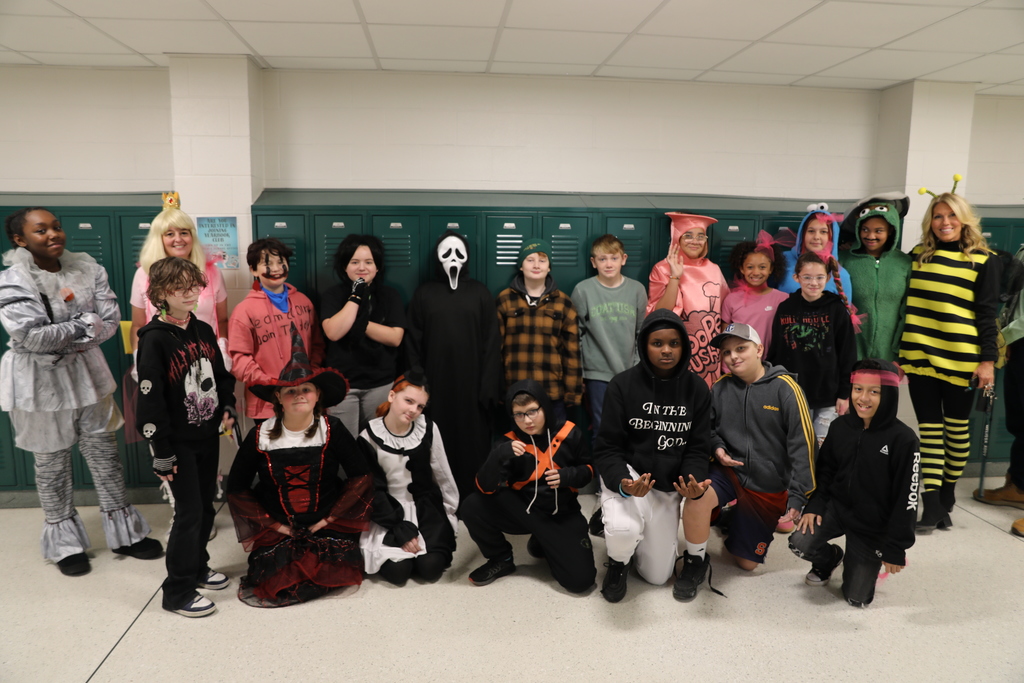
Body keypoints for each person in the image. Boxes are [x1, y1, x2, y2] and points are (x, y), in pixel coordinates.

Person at [0, 207, 162, 577]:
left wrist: (71, 331)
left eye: (56, 227)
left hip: (90, 377)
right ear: (20, 239)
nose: (54, 234)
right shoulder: (13, 280)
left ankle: (126, 534)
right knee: (52, 464)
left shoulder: (89, 270)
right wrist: (83, 325)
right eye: (41, 230)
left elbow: (108, 324)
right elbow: (31, 337)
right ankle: (65, 544)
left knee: (106, 456)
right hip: (40, 386)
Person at [226, 327, 374, 608]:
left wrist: (327, 520)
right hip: (279, 526)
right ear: (278, 399)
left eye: (306, 389)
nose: (299, 395)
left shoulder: (332, 429)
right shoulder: (261, 435)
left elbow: (361, 476)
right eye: (290, 391)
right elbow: (237, 488)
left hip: (326, 523)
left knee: (326, 570)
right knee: (279, 579)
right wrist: (277, 527)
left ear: (317, 395)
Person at [136, 257, 236, 617]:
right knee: (189, 513)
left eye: (196, 285)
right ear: (162, 293)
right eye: (182, 288)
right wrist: (160, 451)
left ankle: (197, 567)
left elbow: (222, 377)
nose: (193, 292)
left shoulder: (203, 329)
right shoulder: (154, 340)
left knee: (206, 505)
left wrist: (227, 406)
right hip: (176, 442)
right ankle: (177, 591)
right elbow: (149, 402)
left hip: (207, 435)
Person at [594, 309, 715, 603]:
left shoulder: (697, 389)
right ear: (643, 346)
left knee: (658, 576)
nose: (666, 351)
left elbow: (698, 447)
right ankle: (619, 559)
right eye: (657, 343)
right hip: (631, 477)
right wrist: (623, 483)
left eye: (674, 344)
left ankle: (630, 535)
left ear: (684, 347)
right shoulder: (622, 385)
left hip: (666, 486)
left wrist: (692, 483)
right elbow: (607, 447)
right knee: (624, 531)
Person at [900, 187, 1000, 529]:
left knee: (956, 430)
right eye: (939, 216)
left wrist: (988, 361)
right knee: (929, 430)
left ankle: (946, 496)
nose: (945, 222)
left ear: (963, 219)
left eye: (952, 215)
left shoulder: (982, 260)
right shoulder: (917, 256)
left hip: (962, 359)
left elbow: (987, 315)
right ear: (931, 221)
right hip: (919, 355)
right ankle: (932, 504)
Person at [684, 322, 816, 573]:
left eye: (741, 348)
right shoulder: (721, 387)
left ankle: (732, 517)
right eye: (726, 352)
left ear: (759, 349)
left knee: (747, 564)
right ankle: (694, 563)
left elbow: (804, 447)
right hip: (727, 471)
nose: (733, 356)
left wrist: (799, 496)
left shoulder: (786, 389)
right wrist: (718, 449)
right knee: (697, 497)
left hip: (766, 483)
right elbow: (706, 430)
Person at [789, 359, 919, 608]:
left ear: (890, 394)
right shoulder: (840, 427)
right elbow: (825, 471)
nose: (863, 398)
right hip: (837, 509)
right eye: (858, 389)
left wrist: (896, 547)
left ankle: (862, 561)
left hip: (872, 525)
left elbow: (908, 497)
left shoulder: (904, 440)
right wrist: (815, 505)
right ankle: (830, 558)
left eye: (874, 391)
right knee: (799, 543)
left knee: (856, 598)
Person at [461, 379, 595, 594]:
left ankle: (543, 543)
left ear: (544, 406)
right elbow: (484, 488)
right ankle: (501, 558)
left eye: (533, 411)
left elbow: (589, 470)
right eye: (519, 414)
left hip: (562, 514)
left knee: (580, 582)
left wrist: (568, 476)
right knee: (471, 505)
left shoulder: (570, 432)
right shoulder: (508, 442)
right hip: (525, 510)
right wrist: (497, 456)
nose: (528, 420)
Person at [405, 230, 501, 498]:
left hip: (473, 388)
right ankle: (439, 497)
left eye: (459, 252)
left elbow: (492, 343)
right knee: (437, 442)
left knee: (474, 443)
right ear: (437, 257)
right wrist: (418, 382)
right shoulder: (424, 294)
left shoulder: (480, 293)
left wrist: (488, 387)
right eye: (446, 252)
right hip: (435, 386)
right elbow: (413, 341)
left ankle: (473, 497)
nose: (453, 258)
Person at [359, 370, 459, 585]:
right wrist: (397, 528)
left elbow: (443, 474)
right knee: (399, 572)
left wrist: (449, 514)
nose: (414, 410)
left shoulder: (428, 428)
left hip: (426, 510)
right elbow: (371, 490)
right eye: (409, 401)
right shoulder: (368, 436)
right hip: (387, 512)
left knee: (430, 569)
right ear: (392, 396)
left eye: (420, 406)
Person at [228, 237, 324, 424]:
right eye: (268, 264)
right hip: (267, 404)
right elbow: (239, 359)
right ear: (253, 270)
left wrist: (311, 373)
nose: (277, 268)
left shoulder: (304, 302)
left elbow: (317, 344)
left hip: (304, 400)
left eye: (281, 262)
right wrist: (268, 383)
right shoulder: (244, 310)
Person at [129, 192, 229, 366]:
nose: (178, 239)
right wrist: (139, 358)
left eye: (184, 232)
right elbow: (138, 325)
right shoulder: (144, 274)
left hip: (206, 358)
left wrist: (223, 350)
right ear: (159, 239)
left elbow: (221, 321)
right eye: (169, 234)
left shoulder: (212, 273)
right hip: (163, 360)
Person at [320, 234, 406, 438]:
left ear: (377, 267)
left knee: (376, 445)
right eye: (355, 262)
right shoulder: (332, 295)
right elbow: (333, 332)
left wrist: (357, 323)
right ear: (344, 266)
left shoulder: (390, 295)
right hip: (342, 386)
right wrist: (356, 296)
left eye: (369, 262)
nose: (362, 267)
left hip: (380, 384)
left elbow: (395, 337)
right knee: (344, 446)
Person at [768, 252, 856, 447]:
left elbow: (848, 355)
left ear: (827, 278)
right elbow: (776, 351)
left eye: (819, 277)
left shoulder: (836, 309)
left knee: (823, 449)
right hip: (795, 394)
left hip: (829, 395)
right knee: (797, 447)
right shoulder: (785, 308)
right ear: (796, 278)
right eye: (807, 277)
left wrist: (844, 394)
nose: (813, 283)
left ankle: (820, 479)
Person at [496, 239, 582, 426]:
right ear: (521, 266)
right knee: (517, 451)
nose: (536, 265)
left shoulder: (563, 303)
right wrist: (499, 390)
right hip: (516, 392)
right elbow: (496, 350)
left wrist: (572, 394)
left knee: (553, 450)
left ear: (549, 267)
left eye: (542, 260)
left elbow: (572, 352)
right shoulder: (505, 300)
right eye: (530, 259)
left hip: (552, 392)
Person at [571, 234, 648, 436]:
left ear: (623, 259)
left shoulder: (637, 290)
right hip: (596, 374)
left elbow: (642, 333)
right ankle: (601, 469)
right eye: (602, 259)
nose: (608, 264)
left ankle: (626, 469)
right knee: (601, 429)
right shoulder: (583, 290)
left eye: (614, 258)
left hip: (629, 373)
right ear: (593, 262)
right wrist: (579, 373)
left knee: (630, 429)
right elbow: (575, 336)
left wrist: (638, 367)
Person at [646, 212, 730, 389]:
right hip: (677, 353)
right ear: (677, 238)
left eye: (700, 236)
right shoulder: (662, 268)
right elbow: (660, 314)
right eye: (688, 235)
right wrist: (675, 277)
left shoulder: (714, 269)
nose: (695, 241)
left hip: (709, 356)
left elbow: (725, 313)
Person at [974, 243, 1024, 536]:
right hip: (1018, 342)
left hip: (1017, 336)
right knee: (1019, 419)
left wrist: (999, 337)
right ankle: (1018, 485)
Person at [839, 196, 912, 361]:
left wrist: (899, 350)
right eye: (865, 229)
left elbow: (907, 309)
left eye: (879, 230)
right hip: (851, 352)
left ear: (891, 230)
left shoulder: (904, 263)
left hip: (890, 354)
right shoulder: (844, 259)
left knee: (884, 388)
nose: (870, 236)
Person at [720, 230, 794, 351]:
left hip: (769, 364)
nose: (756, 272)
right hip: (738, 363)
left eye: (762, 267)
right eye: (750, 267)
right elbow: (725, 336)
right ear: (742, 269)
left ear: (771, 269)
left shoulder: (783, 298)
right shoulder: (731, 299)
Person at [777, 204, 853, 299]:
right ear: (803, 234)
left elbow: (844, 311)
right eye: (811, 231)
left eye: (823, 232)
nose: (816, 237)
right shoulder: (782, 260)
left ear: (832, 237)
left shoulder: (841, 275)